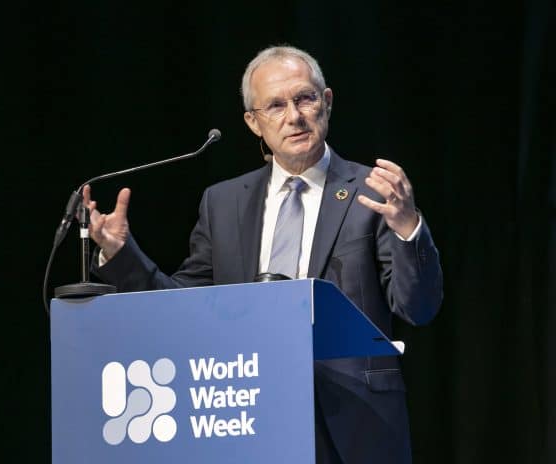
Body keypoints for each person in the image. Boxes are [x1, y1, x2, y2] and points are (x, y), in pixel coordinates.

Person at [83, 45, 443, 464]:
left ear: (326, 102)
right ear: (253, 122)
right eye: (275, 105)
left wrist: (406, 227)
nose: (294, 116)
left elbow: (417, 308)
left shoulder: (374, 192)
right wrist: (122, 253)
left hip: (353, 423)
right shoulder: (223, 202)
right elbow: (184, 305)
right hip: (246, 415)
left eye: (305, 98)